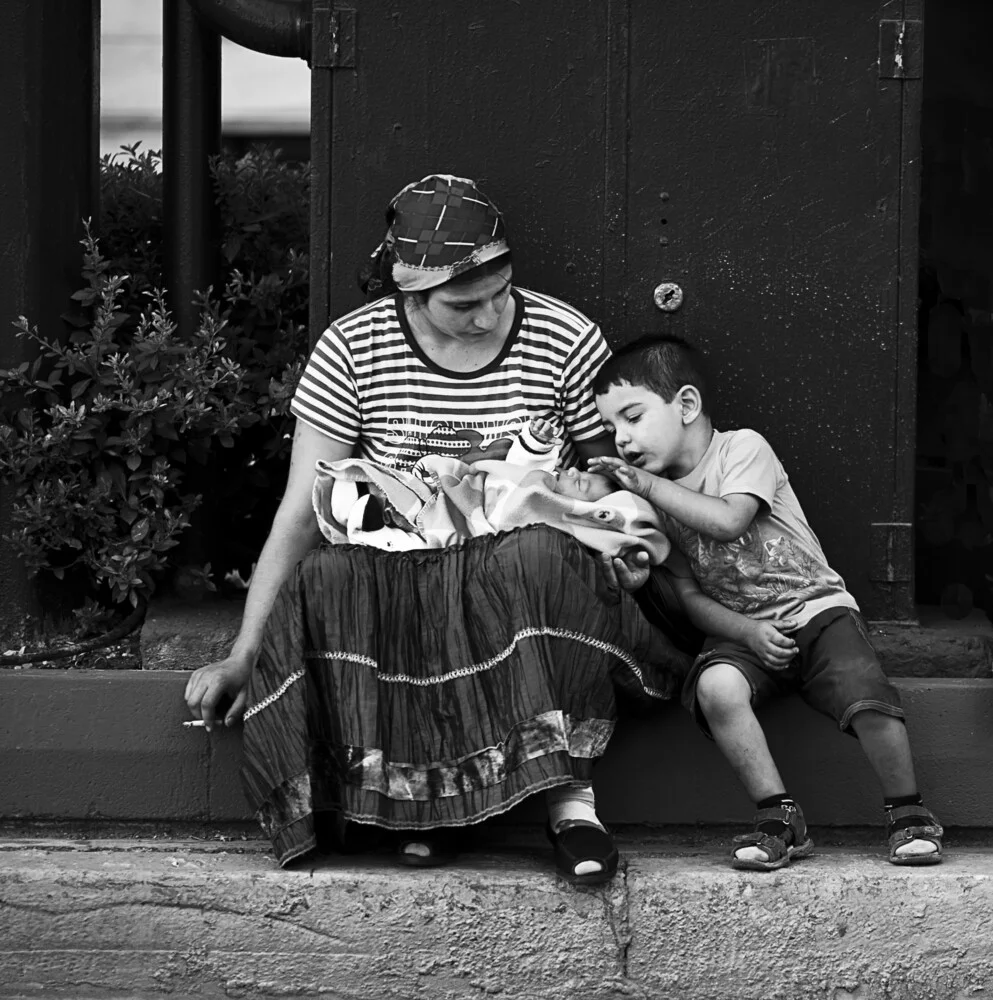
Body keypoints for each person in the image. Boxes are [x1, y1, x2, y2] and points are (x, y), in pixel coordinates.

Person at [184, 174, 690, 884]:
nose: (486, 317)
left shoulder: (563, 336)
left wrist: (586, 512)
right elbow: (303, 510)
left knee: (532, 559)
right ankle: (421, 811)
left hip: (526, 566)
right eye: (462, 305)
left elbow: (615, 476)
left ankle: (571, 809)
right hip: (404, 568)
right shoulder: (352, 348)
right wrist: (244, 653)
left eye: (498, 293)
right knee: (333, 574)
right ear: (408, 295)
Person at [588, 334, 944, 871]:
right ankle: (779, 816)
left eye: (633, 417)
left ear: (686, 405)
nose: (622, 439)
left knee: (863, 691)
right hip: (744, 631)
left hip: (816, 610)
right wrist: (745, 632)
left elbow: (730, 521)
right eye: (612, 428)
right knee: (716, 687)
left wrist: (640, 485)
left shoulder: (741, 449)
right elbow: (687, 595)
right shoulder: (651, 503)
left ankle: (908, 810)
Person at [315, 415, 671, 566]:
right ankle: (355, 496)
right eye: (577, 472)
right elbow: (517, 468)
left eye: (583, 485)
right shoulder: (540, 480)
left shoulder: (559, 521)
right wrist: (535, 442)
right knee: (402, 485)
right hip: (456, 498)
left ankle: (372, 536)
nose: (574, 471)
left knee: (419, 551)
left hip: (463, 538)